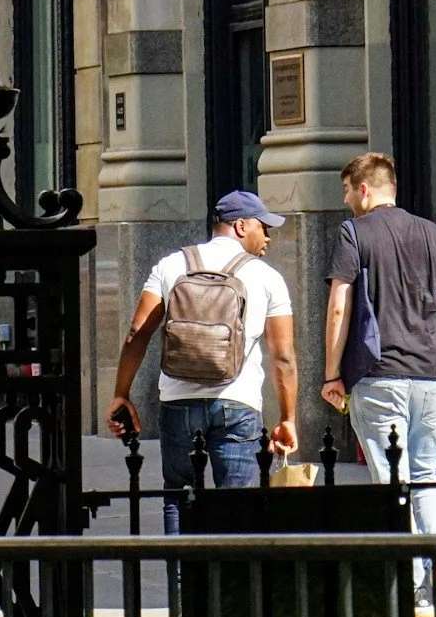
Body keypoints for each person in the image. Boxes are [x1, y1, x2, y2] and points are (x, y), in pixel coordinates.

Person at [323, 151, 436, 617]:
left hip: (379, 373)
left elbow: (340, 307)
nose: (345, 201)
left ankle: (407, 582)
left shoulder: (353, 233)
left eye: (347, 190)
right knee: (427, 474)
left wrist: (330, 372)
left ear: (364, 188)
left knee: (390, 481)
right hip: (435, 373)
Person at [107, 188, 298, 529]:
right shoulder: (267, 277)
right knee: (236, 503)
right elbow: (283, 358)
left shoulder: (171, 265)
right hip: (237, 403)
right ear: (240, 226)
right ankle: (227, 581)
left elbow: (137, 334)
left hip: (178, 400)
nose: (268, 237)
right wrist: (288, 416)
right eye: (263, 227)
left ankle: (182, 582)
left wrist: (121, 393)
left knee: (179, 496)